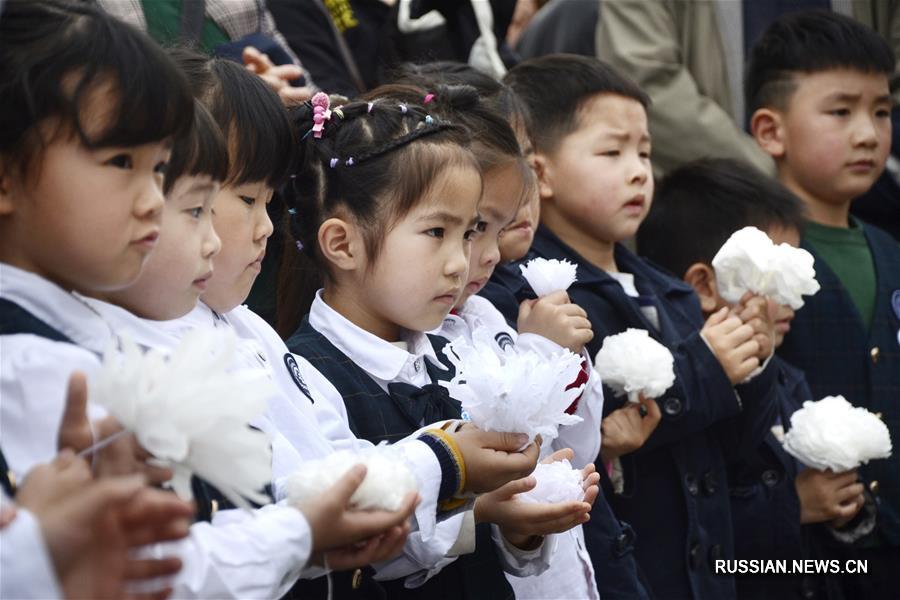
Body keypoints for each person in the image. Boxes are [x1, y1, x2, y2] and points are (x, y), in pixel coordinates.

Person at [278, 89, 603, 598]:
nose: (460, 262)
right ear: (343, 243)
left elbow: (500, 556)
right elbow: (348, 536)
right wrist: (473, 506)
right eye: (436, 232)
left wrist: (520, 524)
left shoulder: (455, 350)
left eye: (469, 232)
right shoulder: (306, 375)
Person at [502, 54, 782, 600]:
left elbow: (735, 446)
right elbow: (597, 429)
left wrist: (752, 364)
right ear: (539, 172)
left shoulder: (667, 289)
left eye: (645, 152)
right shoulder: (544, 300)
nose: (638, 170)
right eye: (612, 151)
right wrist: (706, 366)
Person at [640, 157, 877, 600]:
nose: (792, 299)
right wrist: (794, 506)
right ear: (705, 286)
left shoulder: (786, 377)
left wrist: (844, 513)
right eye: (775, 278)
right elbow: (696, 534)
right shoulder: (678, 390)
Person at [747, 11, 900, 597]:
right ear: (770, 130)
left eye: (881, 111)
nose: (868, 133)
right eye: (840, 111)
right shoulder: (751, 259)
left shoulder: (889, 248)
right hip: (799, 559)